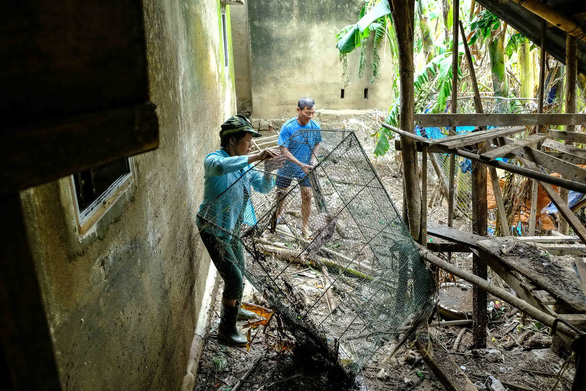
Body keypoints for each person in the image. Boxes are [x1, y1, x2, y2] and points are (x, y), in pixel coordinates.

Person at [196, 115, 283, 346]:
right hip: (212, 228)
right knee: (233, 278)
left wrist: (267, 169)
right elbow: (221, 167)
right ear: (232, 141)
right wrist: (255, 157)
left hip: (232, 227)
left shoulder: (244, 165)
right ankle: (226, 329)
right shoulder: (214, 159)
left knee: (240, 271)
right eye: (247, 140)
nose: (251, 145)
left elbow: (264, 187)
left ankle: (237, 309)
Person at [276, 97, 322, 239]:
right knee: (281, 192)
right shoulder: (288, 127)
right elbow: (283, 149)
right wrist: (300, 164)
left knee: (307, 194)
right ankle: (279, 214)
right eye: (307, 113)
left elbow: (317, 144)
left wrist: (313, 160)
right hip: (287, 165)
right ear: (298, 110)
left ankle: (305, 226)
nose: (310, 116)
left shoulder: (315, 126)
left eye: (312, 113)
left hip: (306, 167)